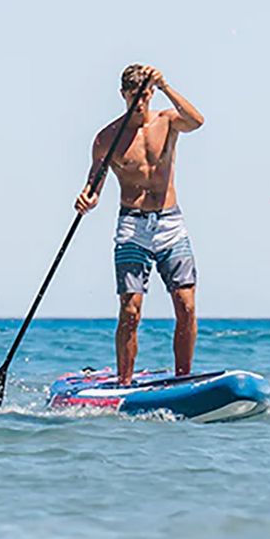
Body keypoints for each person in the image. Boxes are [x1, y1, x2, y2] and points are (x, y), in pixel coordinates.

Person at [75, 64, 205, 384]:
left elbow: (197, 121)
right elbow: (94, 186)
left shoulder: (168, 122)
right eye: (134, 95)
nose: (141, 101)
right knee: (130, 310)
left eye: (145, 94)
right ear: (123, 95)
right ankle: (124, 384)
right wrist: (87, 199)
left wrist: (165, 86)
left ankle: (183, 379)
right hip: (132, 226)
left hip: (170, 222)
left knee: (186, 305)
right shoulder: (108, 139)